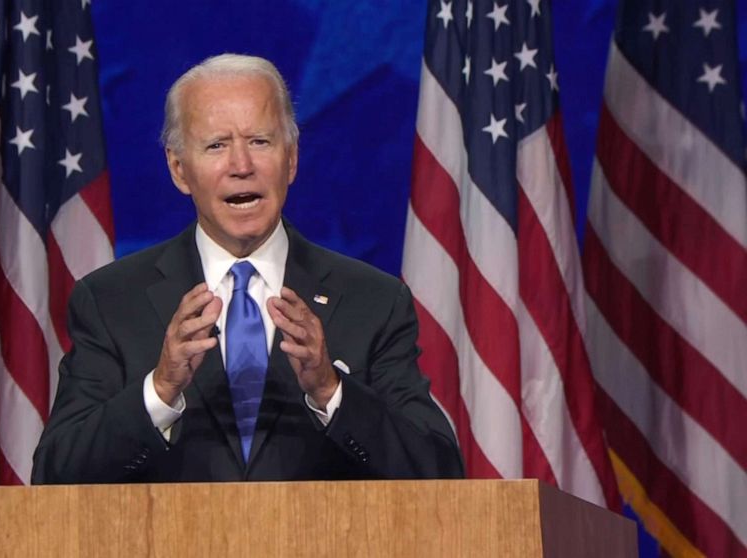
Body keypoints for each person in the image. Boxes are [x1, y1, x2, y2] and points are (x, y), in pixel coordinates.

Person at [31, 54, 463, 483]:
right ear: (179, 169)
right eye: (217, 145)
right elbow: (56, 474)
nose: (241, 166)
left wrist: (331, 390)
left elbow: (437, 469)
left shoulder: (374, 301)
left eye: (260, 141)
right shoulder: (110, 301)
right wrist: (160, 389)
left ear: (291, 159)